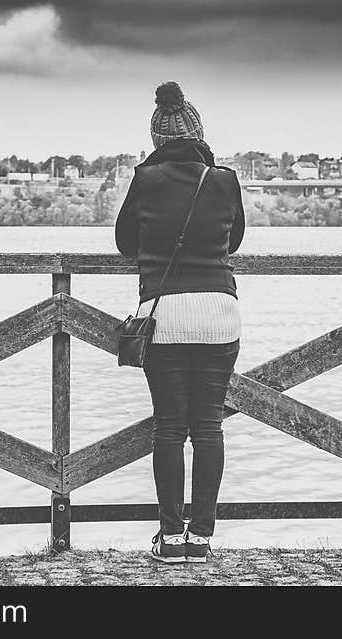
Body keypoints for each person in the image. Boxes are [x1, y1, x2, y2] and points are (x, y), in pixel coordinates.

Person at [115, 81, 245, 564]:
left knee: (170, 428)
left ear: (156, 138)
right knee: (208, 427)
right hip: (219, 315)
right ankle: (202, 540)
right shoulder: (225, 179)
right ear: (199, 131)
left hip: (164, 316)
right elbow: (233, 243)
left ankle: (170, 539)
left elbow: (126, 244)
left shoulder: (145, 179)